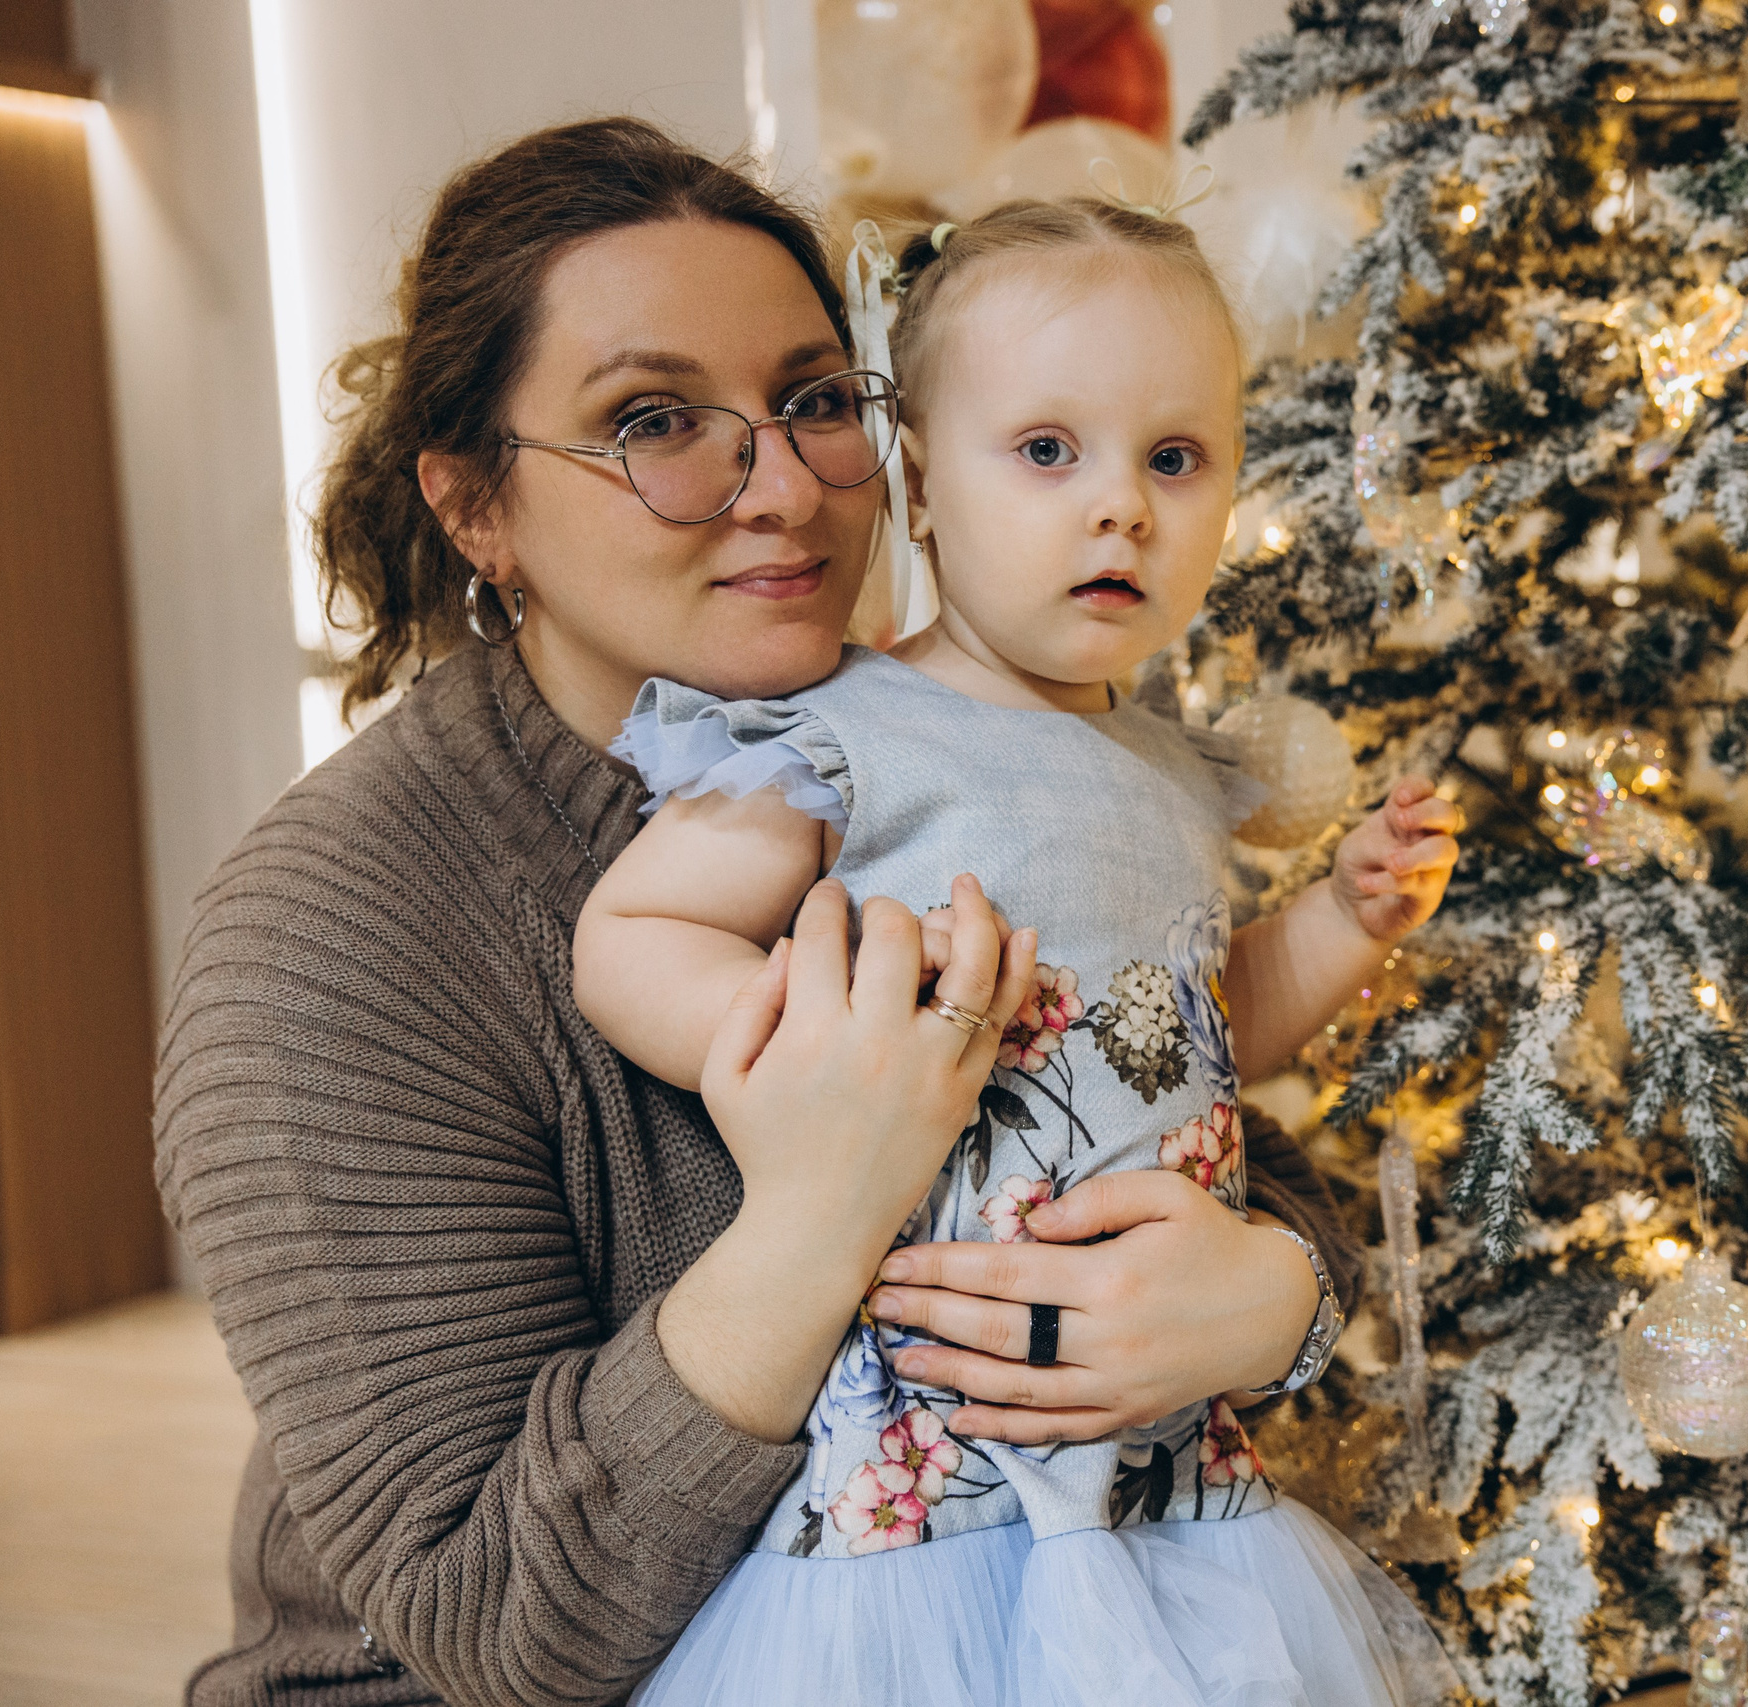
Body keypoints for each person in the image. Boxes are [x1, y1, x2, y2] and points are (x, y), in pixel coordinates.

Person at [154, 119, 1370, 1707]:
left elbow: (1177, 1114)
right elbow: (500, 1628)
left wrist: (1274, 1295)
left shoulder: (978, 746)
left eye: (812, 402)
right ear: (475, 509)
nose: (785, 488)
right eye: (654, 420)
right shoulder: (327, 942)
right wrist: (820, 1210)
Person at [575, 198, 1463, 1706]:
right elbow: (633, 934)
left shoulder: (1177, 777)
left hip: (1167, 1453)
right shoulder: (853, 737)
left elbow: (1209, 1028)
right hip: (927, 1469)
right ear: (921, 487)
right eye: (1048, 451)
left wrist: (1339, 921)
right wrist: (816, 1056)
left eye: (1173, 460)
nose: (1119, 505)